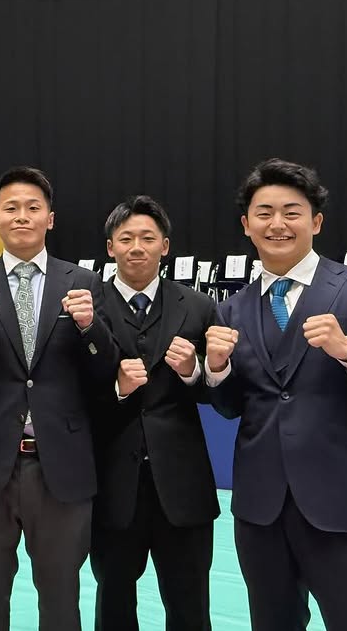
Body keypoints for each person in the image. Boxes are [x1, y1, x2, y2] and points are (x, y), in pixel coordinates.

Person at [206, 158, 347, 631]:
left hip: (345, 505)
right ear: (246, 225)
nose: (278, 224)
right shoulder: (231, 309)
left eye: (292, 212)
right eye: (264, 213)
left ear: (317, 221)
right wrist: (216, 369)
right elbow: (232, 409)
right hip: (262, 511)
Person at [0, 166, 118, 631]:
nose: (21, 217)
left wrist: (90, 327)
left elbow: (104, 373)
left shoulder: (83, 282)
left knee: (61, 603)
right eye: (11, 208)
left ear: (50, 219)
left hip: (61, 468)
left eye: (33, 208)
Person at [90, 196, 219, 631]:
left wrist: (194, 371)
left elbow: (221, 397)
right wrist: (116, 389)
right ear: (110, 247)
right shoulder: (85, 307)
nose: (137, 247)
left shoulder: (199, 306)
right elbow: (67, 391)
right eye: (126, 238)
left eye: (147, 238)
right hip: (111, 485)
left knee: (190, 608)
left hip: (183, 487)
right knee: (113, 605)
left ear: (165, 246)